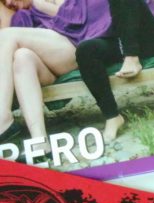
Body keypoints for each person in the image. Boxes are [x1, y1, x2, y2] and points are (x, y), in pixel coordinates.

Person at [0, 0, 113, 158]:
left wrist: (39, 3)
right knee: (22, 57)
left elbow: (74, 17)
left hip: (73, 44)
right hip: (48, 63)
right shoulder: (22, 14)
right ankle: (40, 142)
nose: (9, 2)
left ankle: (3, 117)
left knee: (6, 36)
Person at [75, 0, 154, 142]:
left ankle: (131, 56)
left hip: (147, 37)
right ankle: (112, 116)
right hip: (114, 40)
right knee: (85, 50)